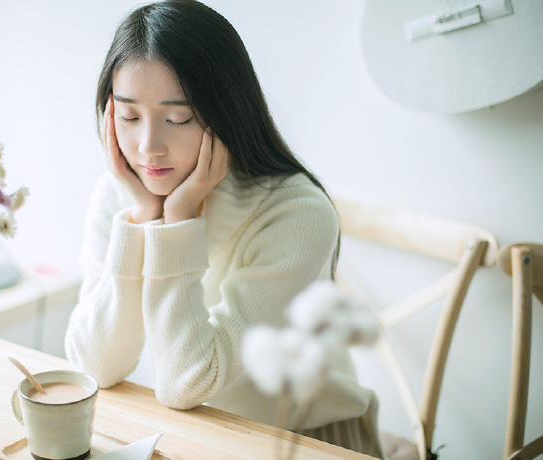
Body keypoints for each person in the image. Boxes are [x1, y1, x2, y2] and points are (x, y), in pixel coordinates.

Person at [65, 0, 381, 456]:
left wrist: (178, 220)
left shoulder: (296, 213)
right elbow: (96, 364)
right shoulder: (121, 196)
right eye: (130, 117)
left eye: (178, 118)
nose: (148, 147)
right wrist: (142, 217)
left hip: (301, 441)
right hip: (195, 434)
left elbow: (188, 382)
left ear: (225, 112)